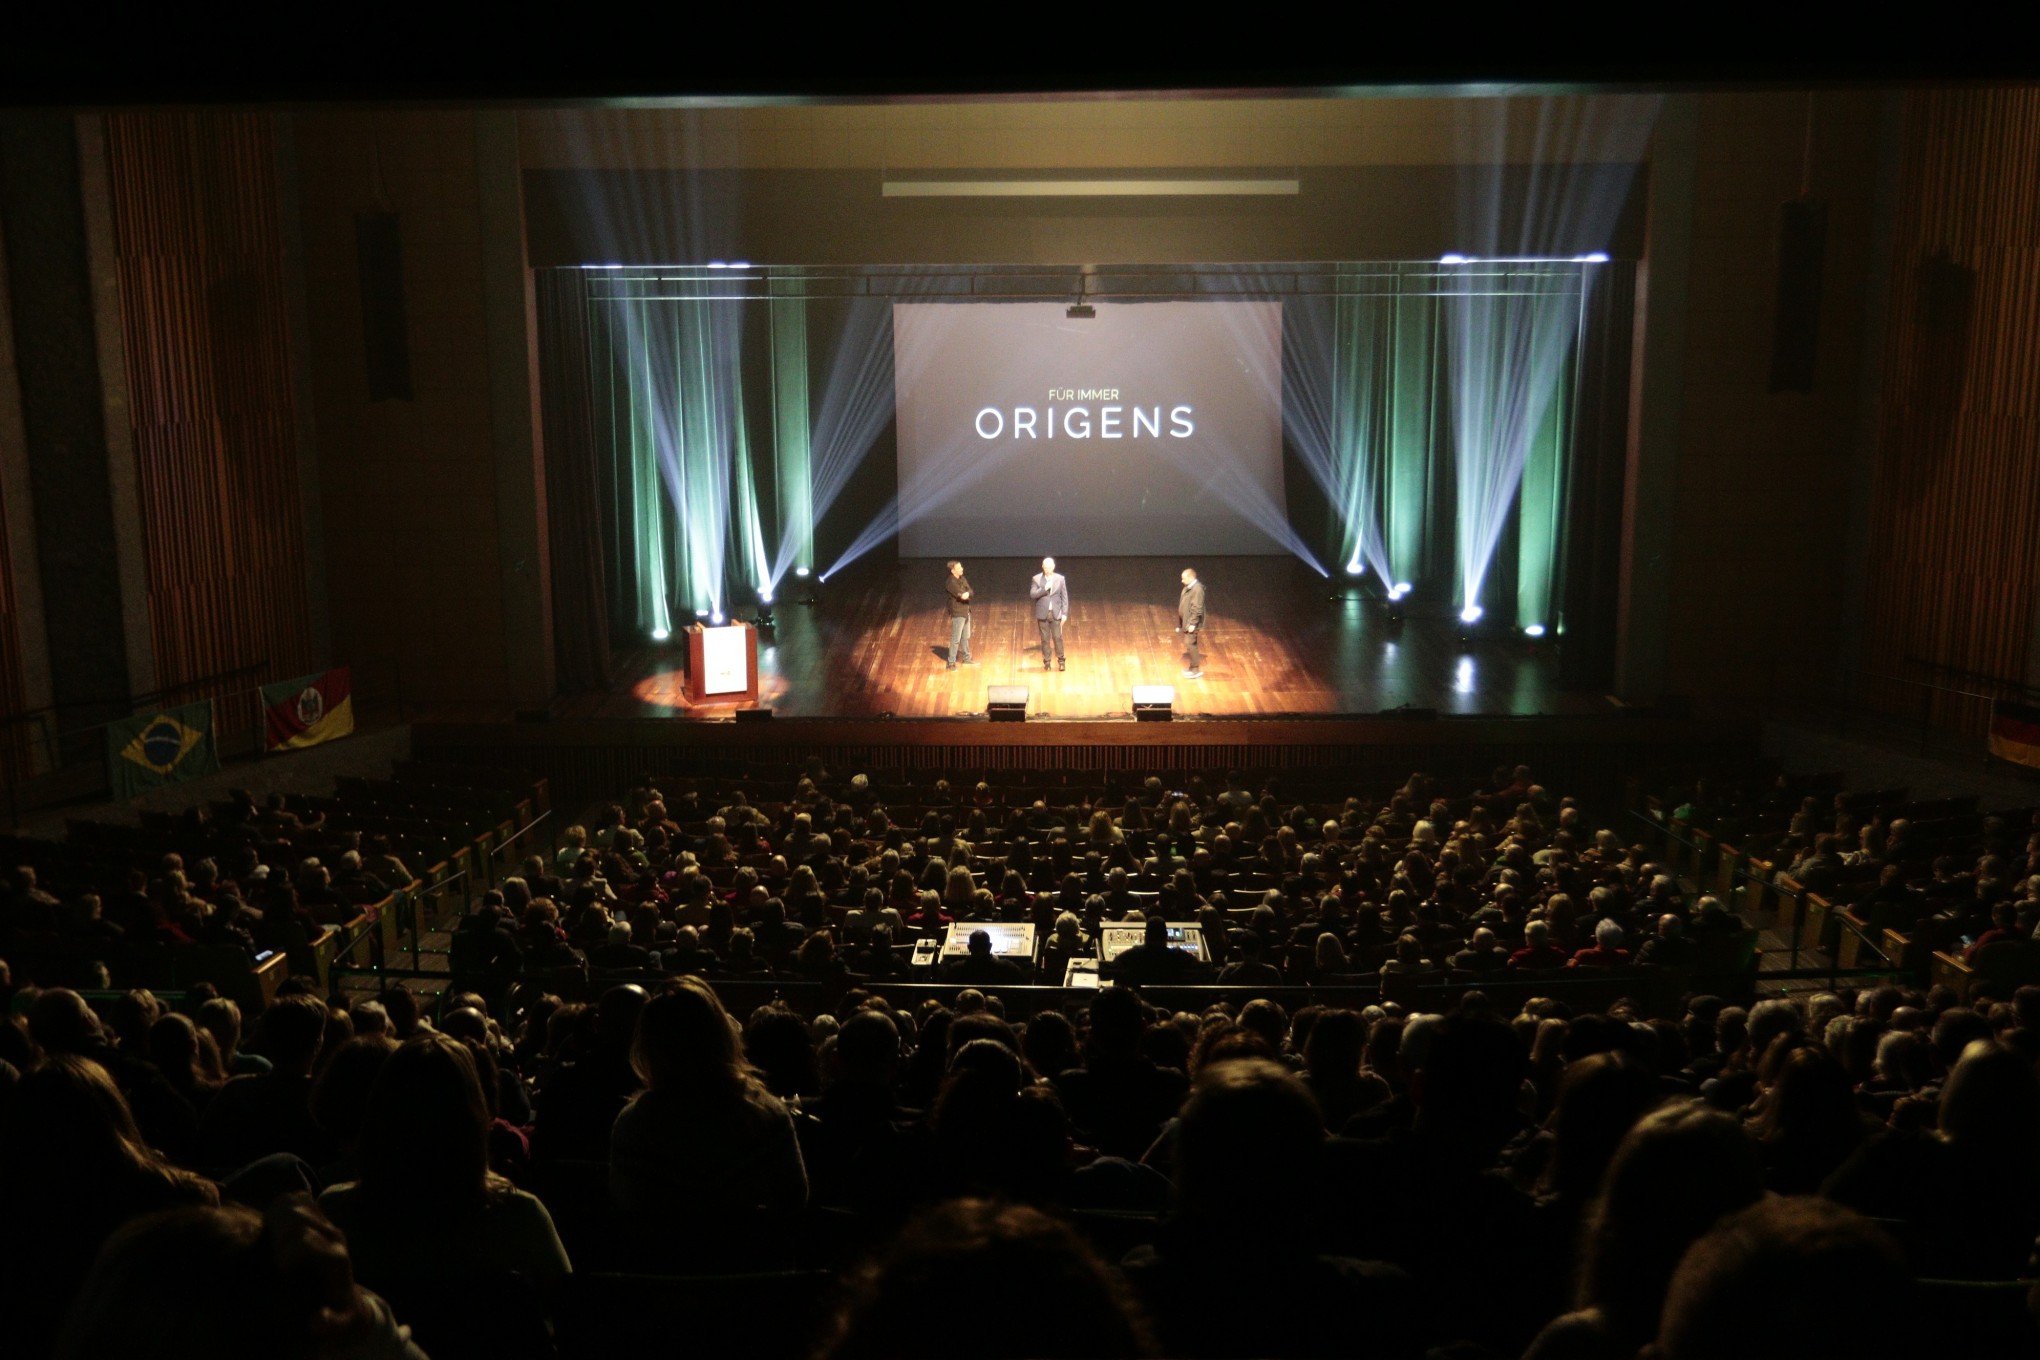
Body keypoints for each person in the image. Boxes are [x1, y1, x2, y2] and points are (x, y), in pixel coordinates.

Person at [1029, 556, 1069, 671]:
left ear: (1053, 567)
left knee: (1057, 638)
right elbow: (1032, 594)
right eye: (1045, 567)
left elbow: (1064, 597)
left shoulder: (1060, 579)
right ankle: (1047, 662)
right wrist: (1044, 588)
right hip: (1043, 614)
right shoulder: (1036, 579)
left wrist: (1064, 613)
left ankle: (1061, 660)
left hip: (1056, 613)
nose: (1047, 569)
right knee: (1045, 639)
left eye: (1050, 567)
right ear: (1042, 567)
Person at [943, 560, 975, 670]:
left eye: (961, 567)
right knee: (956, 638)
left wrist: (967, 593)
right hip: (958, 612)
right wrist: (964, 594)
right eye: (959, 568)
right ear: (953, 570)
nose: (962, 569)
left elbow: (970, 591)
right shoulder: (950, 582)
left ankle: (966, 658)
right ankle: (950, 663)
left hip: (966, 610)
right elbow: (961, 594)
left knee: (965, 636)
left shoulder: (962, 578)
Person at [1176, 567, 1206, 679]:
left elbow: (1197, 608)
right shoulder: (1187, 588)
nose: (1182, 581)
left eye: (1183, 578)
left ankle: (1195, 669)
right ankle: (1192, 668)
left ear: (1190, 577)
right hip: (1187, 622)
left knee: (1190, 644)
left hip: (1192, 623)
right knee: (1189, 644)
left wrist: (1193, 624)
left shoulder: (1197, 589)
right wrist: (1180, 624)